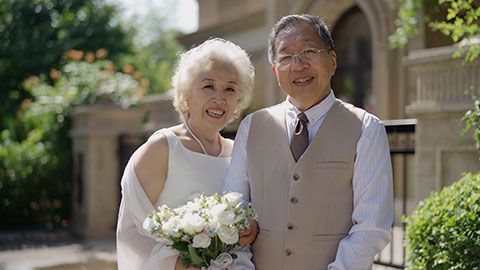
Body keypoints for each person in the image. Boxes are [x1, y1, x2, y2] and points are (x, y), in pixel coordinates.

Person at [225, 14, 393, 269]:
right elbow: (234, 208)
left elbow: (372, 225)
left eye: (308, 51)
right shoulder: (251, 128)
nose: (298, 65)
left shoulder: (367, 129)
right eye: (285, 57)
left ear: (332, 61)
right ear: (275, 71)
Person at [116, 38, 256, 270]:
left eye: (229, 89)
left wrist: (250, 227)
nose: (219, 98)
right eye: (208, 86)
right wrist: (178, 263)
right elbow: (130, 231)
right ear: (187, 92)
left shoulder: (238, 153)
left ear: (238, 101)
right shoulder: (163, 147)